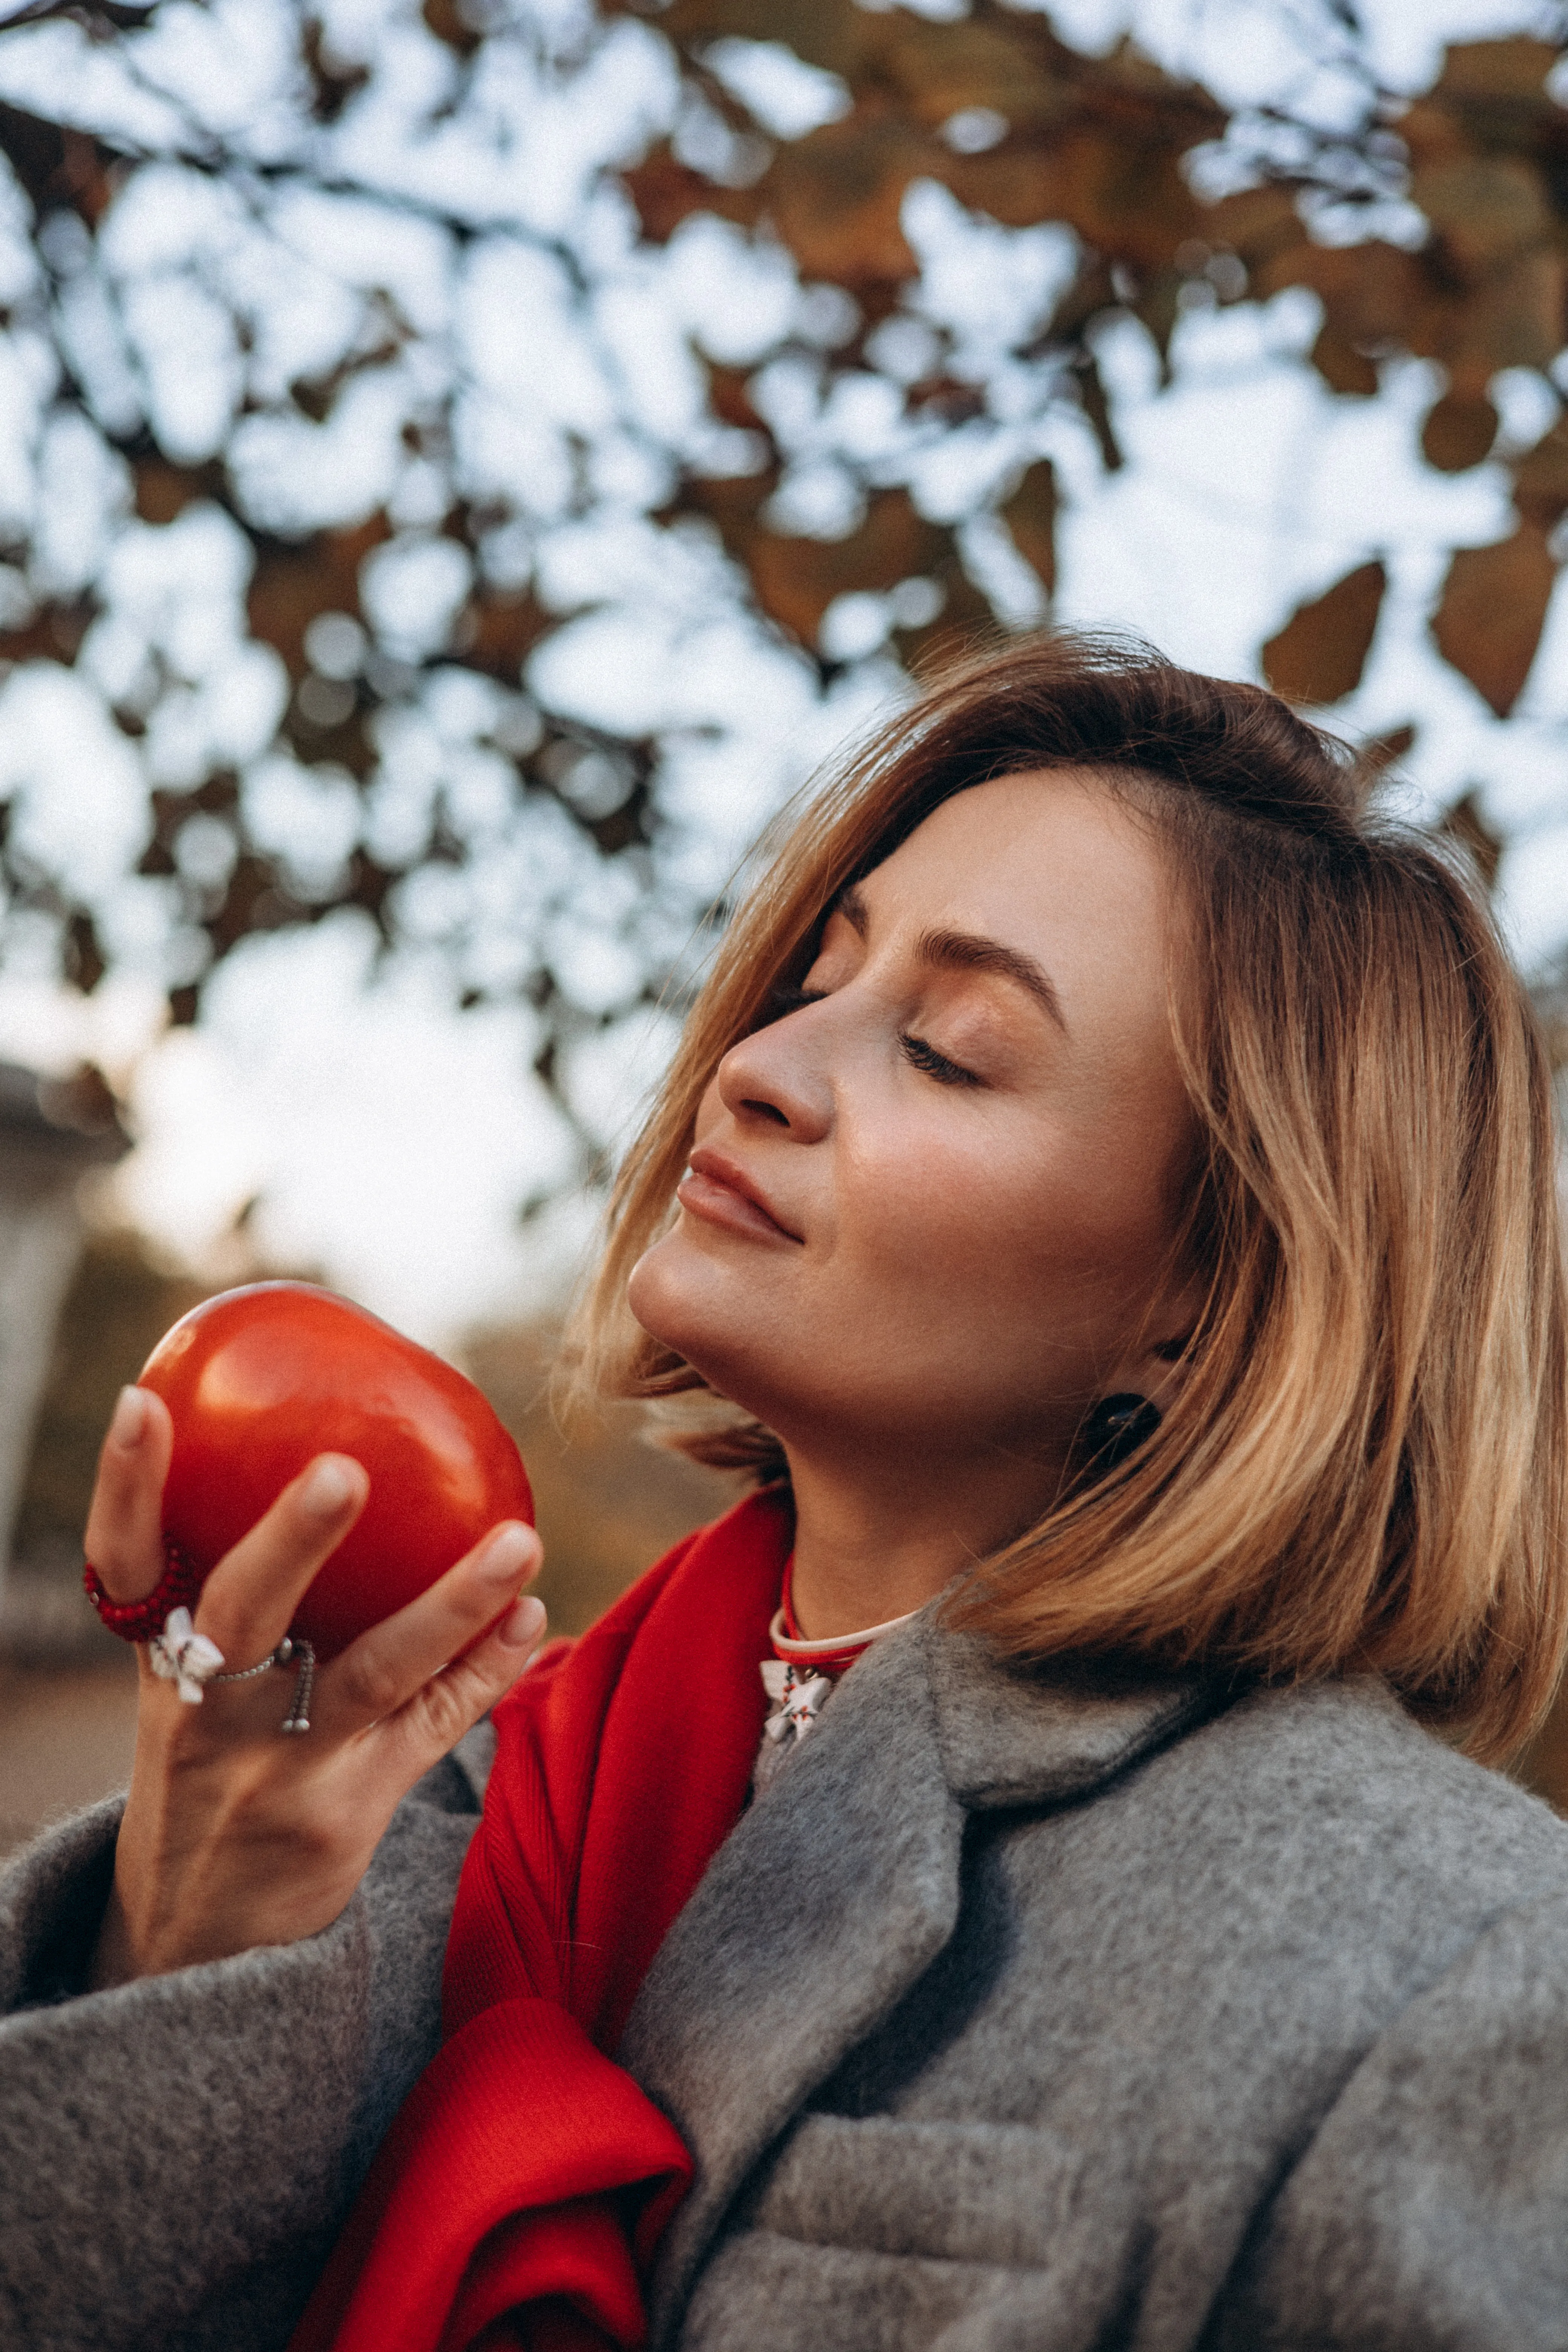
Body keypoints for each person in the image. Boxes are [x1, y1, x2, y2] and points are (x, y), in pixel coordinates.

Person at [3, 633, 1568, 2352]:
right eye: (817, 976)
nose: (761, 1061)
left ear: (1209, 1302)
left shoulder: (1446, 1962)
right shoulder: (441, 1786)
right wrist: (183, 1943)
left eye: (953, 1050)